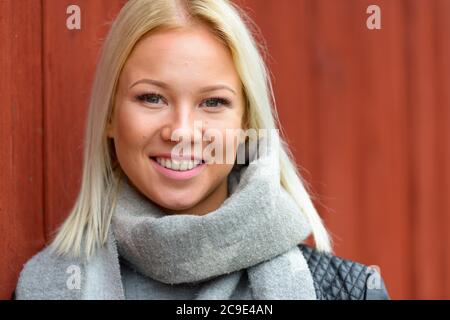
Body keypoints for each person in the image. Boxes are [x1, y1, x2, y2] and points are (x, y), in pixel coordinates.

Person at [14, 0, 389, 300]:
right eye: (151, 97)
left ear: (246, 126)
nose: (181, 132)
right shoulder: (44, 288)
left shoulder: (350, 292)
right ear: (111, 116)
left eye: (212, 103)